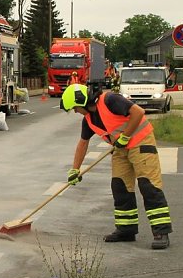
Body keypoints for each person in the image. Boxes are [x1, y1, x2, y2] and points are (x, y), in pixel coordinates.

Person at [60, 83, 172, 249]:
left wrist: (125, 136)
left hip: (141, 142)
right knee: (120, 187)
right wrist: (75, 169)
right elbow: (83, 143)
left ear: (81, 101)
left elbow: (138, 112)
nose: (76, 112)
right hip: (120, 148)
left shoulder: (110, 100)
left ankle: (161, 232)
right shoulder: (88, 120)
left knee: (148, 185)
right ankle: (126, 230)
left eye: (75, 108)